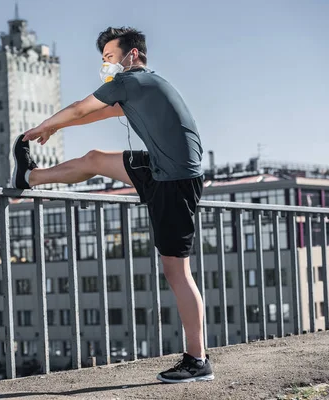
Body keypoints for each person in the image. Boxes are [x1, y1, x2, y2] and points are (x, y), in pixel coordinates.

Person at [11, 26, 213, 383]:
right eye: (102, 59)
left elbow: (78, 108)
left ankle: (198, 360)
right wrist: (57, 129)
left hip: (174, 182)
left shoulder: (132, 81)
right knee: (94, 159)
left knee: (177, 272)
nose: (106, 65)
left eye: (109, 57)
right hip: (159, 168)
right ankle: (30, 177)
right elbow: (95, 114)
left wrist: (43, 126)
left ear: (131, 55)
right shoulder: (142, 87)